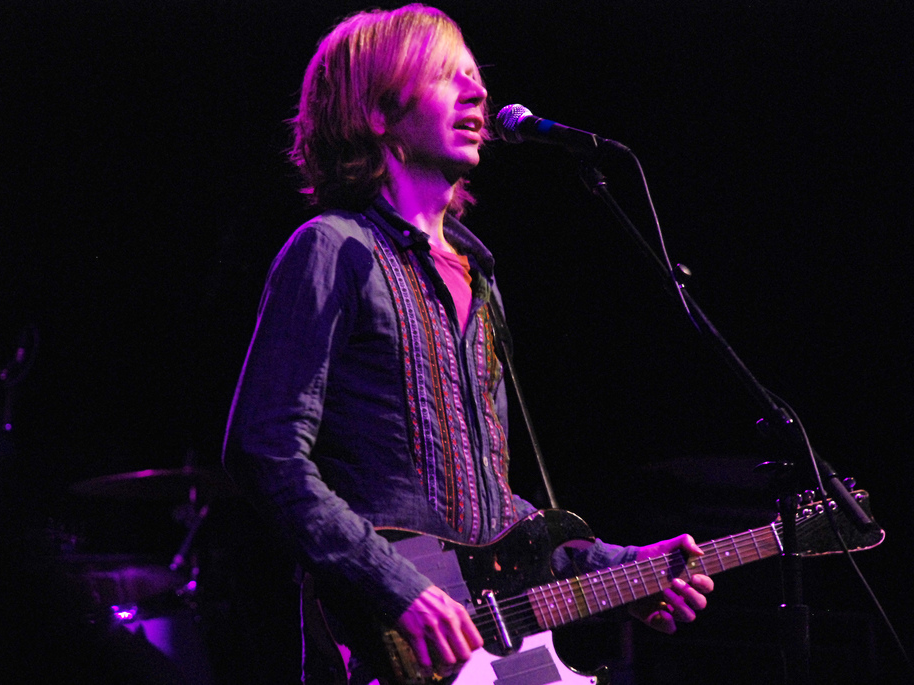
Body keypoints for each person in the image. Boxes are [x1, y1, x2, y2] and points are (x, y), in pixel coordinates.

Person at [222, 5, 713, 683]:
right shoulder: (332, 249)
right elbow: (265, 448)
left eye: (476, 75)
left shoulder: (480, 278)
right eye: (445, 75)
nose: (478, 91)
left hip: (490, 653)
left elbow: (493, 513)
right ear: (378, 112)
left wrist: (622, 568)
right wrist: (398, 586)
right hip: (385, 648)